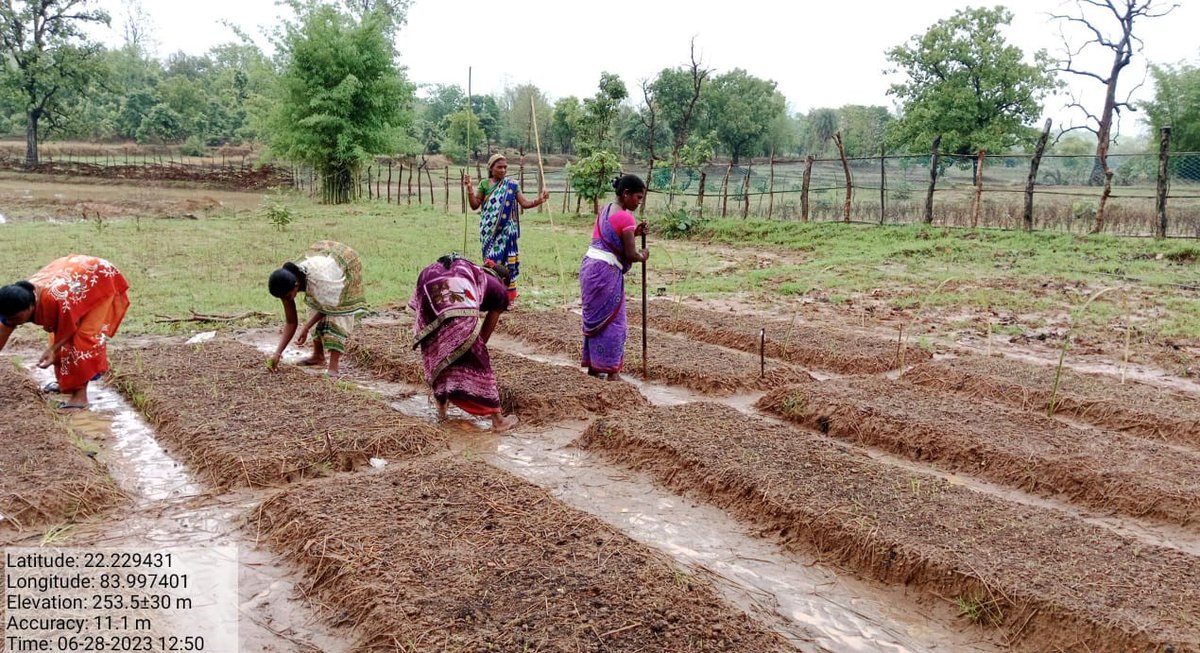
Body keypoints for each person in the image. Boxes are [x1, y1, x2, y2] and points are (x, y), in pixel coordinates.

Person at [0, 255, 131, 409]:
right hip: (72, 274)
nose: (12, 322)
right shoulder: (14, 303)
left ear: (30, 307)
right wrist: (54, 348)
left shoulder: (57, 299)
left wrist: (53, 349)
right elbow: (3, 331)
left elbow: (70, 328)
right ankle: (66, 383)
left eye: (15, 318)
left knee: (82, 339)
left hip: (98, 279)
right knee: (59, 338)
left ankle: (80, 397)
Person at [409, 254, 518, 433]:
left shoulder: (475, 273)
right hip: (455, 294)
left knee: (437, 354)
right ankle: (498, 421)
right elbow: (484, 334)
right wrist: (473, 351)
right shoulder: (500, 290)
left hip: (429, 283)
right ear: (504, 281)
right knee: (478, 358)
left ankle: (442, 411)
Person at [579, 174, 649, 381]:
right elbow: (630, 254)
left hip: (590, 268)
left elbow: (611, 236)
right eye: (637, 197)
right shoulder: (626, 217)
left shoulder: (606, 209)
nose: (638, 202)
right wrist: (643, 255)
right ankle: (611, 371)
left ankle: (594, 368)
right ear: (626, 194)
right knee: (615, 323)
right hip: (605, 272)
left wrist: (633, 233)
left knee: (597, 320)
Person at [267, 240, 369, 378]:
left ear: (296, 285)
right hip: (326, 269)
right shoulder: (286, 285)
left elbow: (328, 307)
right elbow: (291, 322)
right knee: (312, 309)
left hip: (346, 265)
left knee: (336, 317)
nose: (286, 300)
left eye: (286, 297)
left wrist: (306, 327)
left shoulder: (319, 281)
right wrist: (277, 354)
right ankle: (318, 356)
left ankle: (334, 368)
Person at [463, 153, 550, 300]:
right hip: (489, 231)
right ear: (491, 168)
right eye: (499, 167)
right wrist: (470, 188)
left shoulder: (512, 185)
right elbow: (474, 205)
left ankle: (507, 296)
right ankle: (491, 295)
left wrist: (540, 200)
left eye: (505, 167)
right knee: (491, 262)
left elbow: (525, 203)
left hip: (508, 232)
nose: (503, 170)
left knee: (508, 263)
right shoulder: (484, 184)